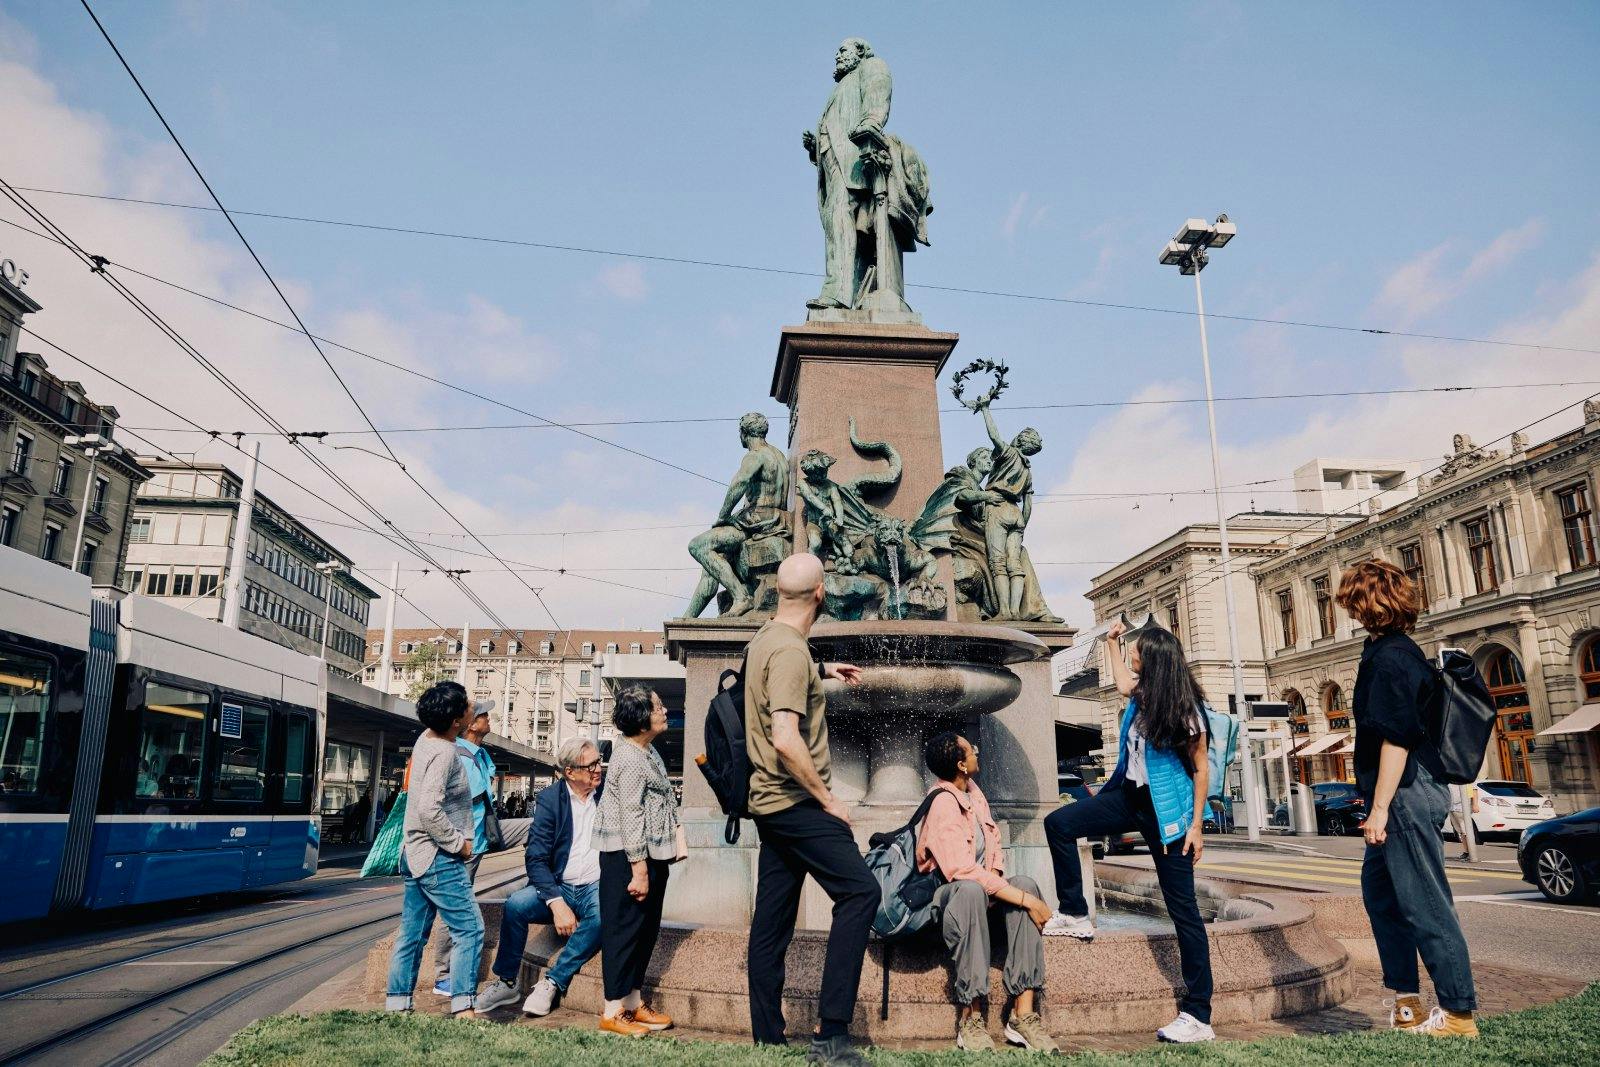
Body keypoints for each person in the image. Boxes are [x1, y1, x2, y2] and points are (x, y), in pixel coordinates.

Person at [1041, 621, 1215, 1044]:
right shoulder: (1142, 695)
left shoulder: (1185, 709)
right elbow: (1121, 682)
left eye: (1137, 650)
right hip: (1129, 797)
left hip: (1167, 814)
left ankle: (1198, 1015)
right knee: (1059, 823)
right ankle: (1075, 913)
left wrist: (1196, 826)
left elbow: (1201, 769)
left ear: (1153, 660)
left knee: (1183, 911)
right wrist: (1112, 643)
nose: (1132, 655)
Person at [744, 552, 876, 1066]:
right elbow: (784, 737)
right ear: (821, 592)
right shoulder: (790, 652)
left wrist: (822, 670)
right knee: (861, 892)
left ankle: (767, 1038)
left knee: (772, 922)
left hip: (768, 804)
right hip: (797, 802)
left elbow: (775, 677)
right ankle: (831, 1034)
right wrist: (829, 800)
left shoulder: (765, 640)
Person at [1337, 560, 1478, 1038]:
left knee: (1425, 903)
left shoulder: (1394, 659)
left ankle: (1458, 1015)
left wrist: (1379, 809)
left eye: (1352, 600)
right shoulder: (1382, 652)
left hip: (1405, 793)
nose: (1348, 609)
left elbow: (1396, 739)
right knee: (1381, 896)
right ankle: (1407, 1004)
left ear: (1370, 603)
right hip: (1399, 793)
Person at [918, 731, 1057, 1054]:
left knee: (1025, 883)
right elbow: (960, 870)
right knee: (973, 891)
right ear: (960, 764)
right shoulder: (942, 803)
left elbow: (994, 848)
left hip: (982, 898)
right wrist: (1025, 901)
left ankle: (1023, 1015)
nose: (976, 753)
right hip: (951, 903)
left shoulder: (974, 794)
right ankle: (970, 1017)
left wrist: (1006, 887)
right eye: (972, 750)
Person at [475, 738, 606, 1017]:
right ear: (570, 772)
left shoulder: (608, 795)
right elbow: (535, 858)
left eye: (599, 761)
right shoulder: (549, 800)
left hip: (595, 886)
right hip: (559, 885)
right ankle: (507, 982)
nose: (598, 768)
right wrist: (556, 903)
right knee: (515, 905)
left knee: (603, 916)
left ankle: (553, 980)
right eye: (592, 764)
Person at [385, 681, 482, 1015]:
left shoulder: (426, 738)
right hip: (439, 856)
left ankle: (398, 1005)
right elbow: (429, 809)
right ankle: (464, 1007)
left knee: (411, 935)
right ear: (456, 721)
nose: (472, 707)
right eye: (467, 705)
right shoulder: (444, 753)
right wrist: (459, 845)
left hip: (414, 852)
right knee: (470, 929)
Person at [592, 685, 680, 1036]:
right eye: (657, 707)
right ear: (642, 719)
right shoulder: (629, 759)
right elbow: (631, 814)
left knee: (644, 931)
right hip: (628, 859)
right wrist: (639, 870)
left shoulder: (647, 751)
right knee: (624, 932)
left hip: (649, 855)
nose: (664, 711)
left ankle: (632, 1003)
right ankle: (612, 1011)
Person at [434, 705, 494, 996]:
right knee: (455, 907)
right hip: (463, 844)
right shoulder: (455, 754)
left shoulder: (481, 754)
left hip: (480, 838)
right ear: (470, 724)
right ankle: (443, 975)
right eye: (484, 716)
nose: (489, 719)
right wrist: (459, 844)